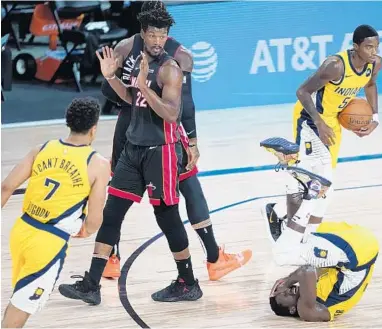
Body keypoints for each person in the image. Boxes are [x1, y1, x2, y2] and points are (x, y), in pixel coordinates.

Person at [59, 6, 203, 304]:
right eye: (152, 34)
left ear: (167, 36)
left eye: (162, 35)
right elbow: (129, 98)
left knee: (167, 216)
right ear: (143, 33)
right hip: (133, 150)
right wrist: (113, 78)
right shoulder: (138, 61)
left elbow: (172, 114)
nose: (157, 40)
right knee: (112, 213)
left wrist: (144, 88)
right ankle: (91, 284)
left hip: (160, 153)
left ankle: (188, 281)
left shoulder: (169, 68)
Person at [101, 0, 251, 281]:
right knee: (189, 189)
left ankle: (111, 259)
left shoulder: (123, 47)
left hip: (127, 128)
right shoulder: (180, 55)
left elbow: (107, 91)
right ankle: (213, 259)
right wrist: (192, 141)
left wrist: (135, 98)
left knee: (117, 197)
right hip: (161, 136)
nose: (158, 38)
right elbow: (186, 106)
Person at [263, 25, 382, 243]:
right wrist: (318, 122)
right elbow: (302, 91)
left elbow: (371, 85)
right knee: (320, 182)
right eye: (368, 47)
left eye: (376, 46)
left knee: (322, 181)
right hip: (310, 119)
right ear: (355, 47)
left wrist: (374, 118)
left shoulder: (374, 63)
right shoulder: (335, 66)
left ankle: (278, 212)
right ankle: (302, 236)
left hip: (333, 120)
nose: (373, 51)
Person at [1, 98, 110, 328]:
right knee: (22, 306)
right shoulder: (97, 163)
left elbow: (6, 187)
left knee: (19, 297)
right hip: (48, 243)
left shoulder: (42, 148)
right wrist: (86, 230)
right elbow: (95, 218)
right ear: (94, 128)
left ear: (68, 123)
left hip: (22, 231)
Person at [269, 220, 379, 322]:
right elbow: (306, 270)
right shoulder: (306, 311)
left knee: (306, 230)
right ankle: (283, 219)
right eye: (283, 295)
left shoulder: (315, 288)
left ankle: (289, 213)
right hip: (359, 254)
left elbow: (310, 267)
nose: (286, 289)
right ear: (292, 309)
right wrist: (287, 281)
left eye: (283, 289)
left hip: (357, 240)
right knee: (283, 253)